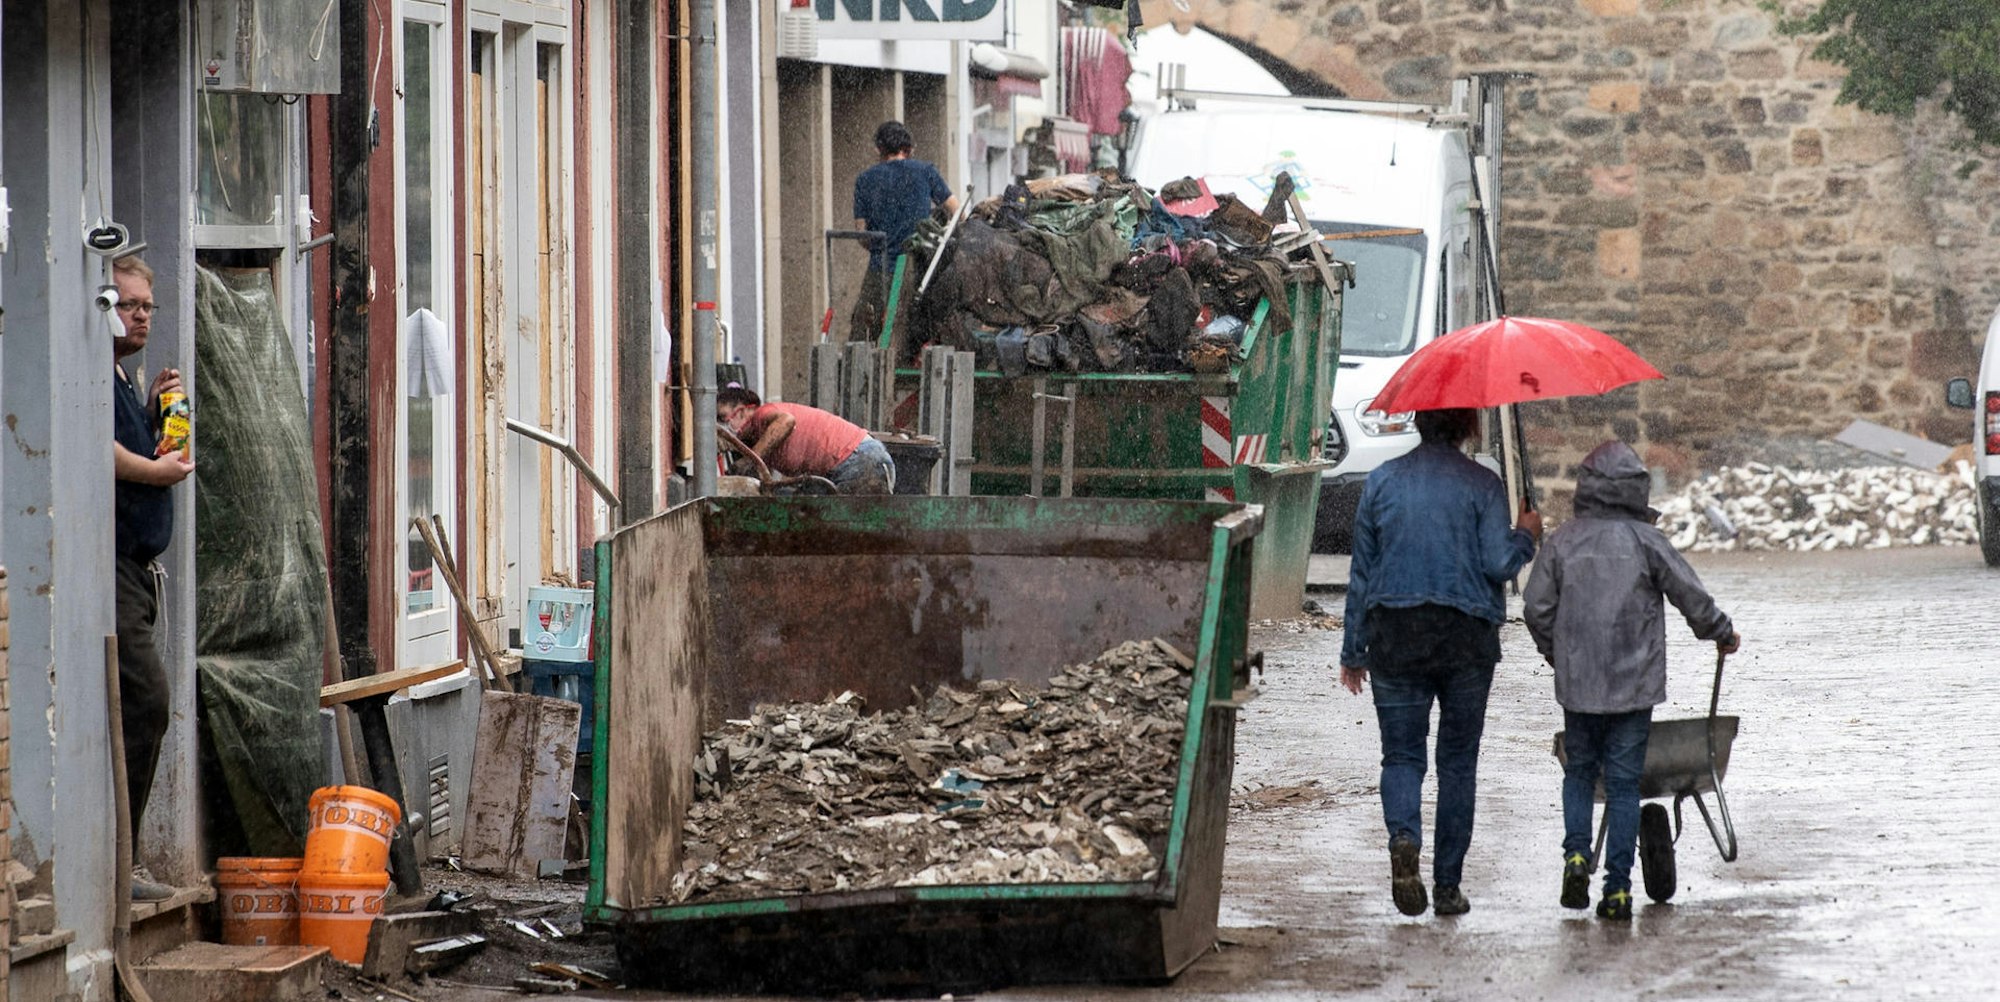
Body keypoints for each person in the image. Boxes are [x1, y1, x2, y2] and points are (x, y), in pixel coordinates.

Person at [1522, 440, 1739, 921]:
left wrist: (1561, 657)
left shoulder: (1562, 542)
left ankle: (1577, 855)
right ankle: (1617, 889)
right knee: (1623, 785)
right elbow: (1690, 596)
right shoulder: (1647, 541)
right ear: (1636, 491)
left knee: (1580, 773)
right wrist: (1721, 633)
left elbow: (1536, 609)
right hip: (1634, 686)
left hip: (1578, 687)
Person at [1338, 407, 1541, 918]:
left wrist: (1353, 651)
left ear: (1418, 423)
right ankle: (1447, 887)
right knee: (1457, 764)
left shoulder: (1382, 481)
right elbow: (1499, 563)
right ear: (1468, 427)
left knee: (1402, 757)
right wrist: (1526, 535)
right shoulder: (1483, 483)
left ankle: (1404, 838)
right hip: (1465, 637)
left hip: (1394, 632)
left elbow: (1362, 572)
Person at [110, 255, 192, 901]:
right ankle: (122, 861)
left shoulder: (116, 376)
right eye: (126, 303)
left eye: (146, 307)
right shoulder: (83, 368)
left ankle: (122, 857)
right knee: (144, 703)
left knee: (136, 707)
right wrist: (154, 471)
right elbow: (88, 442)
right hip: (105, 571)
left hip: (135, 574)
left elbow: (122, 440)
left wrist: (151, 410)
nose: (138, 315)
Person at [849, 120, 958, 342]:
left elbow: (862, 234)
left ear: (878, 149)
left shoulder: (865, 180)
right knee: (920, 332)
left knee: (863, 337)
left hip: (880, 271)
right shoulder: (926, 171)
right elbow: (957, 213)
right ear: (908, 149)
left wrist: (883, 245)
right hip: (920, 270)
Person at [716, 386, 895, 495]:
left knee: (844, 534)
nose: (723, 425)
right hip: (855, 460)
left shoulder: (762, 415)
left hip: (858, 460)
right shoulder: (760, 440)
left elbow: (787, 421)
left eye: (723, 417)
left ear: (740, 412)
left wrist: (749, 459)